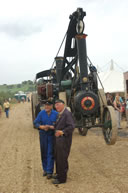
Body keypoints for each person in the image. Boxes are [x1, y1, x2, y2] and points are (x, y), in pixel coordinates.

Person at [52, 99, 75, 184]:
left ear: (63, 105)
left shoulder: (67, 114)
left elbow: (71, 126)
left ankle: (62, 179)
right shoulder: (61, 114)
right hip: (59, 140)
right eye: (56, 105)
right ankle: (58, 174)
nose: (56, 106)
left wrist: (62, 132)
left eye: (58, 104)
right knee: (58, 158)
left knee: (62, 159)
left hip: (64, 140)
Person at [34, 101, 58, 179]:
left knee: (50, 152)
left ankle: (49, 171)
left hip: (51, 135)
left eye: (48, 105)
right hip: (43, 135)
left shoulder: (56, 114)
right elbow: (35, 123)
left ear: (52, 106)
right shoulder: (41, 113)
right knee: (44, 152)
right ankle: (45, 169)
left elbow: (58, 124)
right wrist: (42, 127)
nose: (46, 107)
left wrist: (51, 127)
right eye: (45, 105)